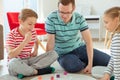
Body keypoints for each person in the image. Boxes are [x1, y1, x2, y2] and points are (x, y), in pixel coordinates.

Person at [45, 0, 110, 74]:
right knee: (74, 66)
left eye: (68, 12)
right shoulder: (51, 19)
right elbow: (50, 44)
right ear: (58, 8)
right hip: (63, 54)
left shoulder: (79, 18)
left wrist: (90, 63)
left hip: (80, 48)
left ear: (73, 8)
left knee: (109, 60)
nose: (65, 16)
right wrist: (47, 65)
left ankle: (84, 61)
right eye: (61, 12)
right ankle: (80, 62)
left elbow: (88, 42)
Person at [6, 8, 58, 78]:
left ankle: (27, 71)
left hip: (29, 60)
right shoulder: (11, 34)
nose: (32, 27)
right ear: (20, 22)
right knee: (12, 63)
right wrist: (25, 41)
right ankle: (37, 71)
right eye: (30, 24)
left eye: (34, 24)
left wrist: (36, 49)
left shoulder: (33, 32)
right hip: (17, 62)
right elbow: (11, 55)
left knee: (54, 54)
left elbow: (36, 41)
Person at [100, 7, 120, 80]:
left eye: (106, 22)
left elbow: (118, 67)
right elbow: (114, 58)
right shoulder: (116, 35)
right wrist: (107, 73)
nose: (105, 25)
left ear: (116, 20)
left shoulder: (118, 39)